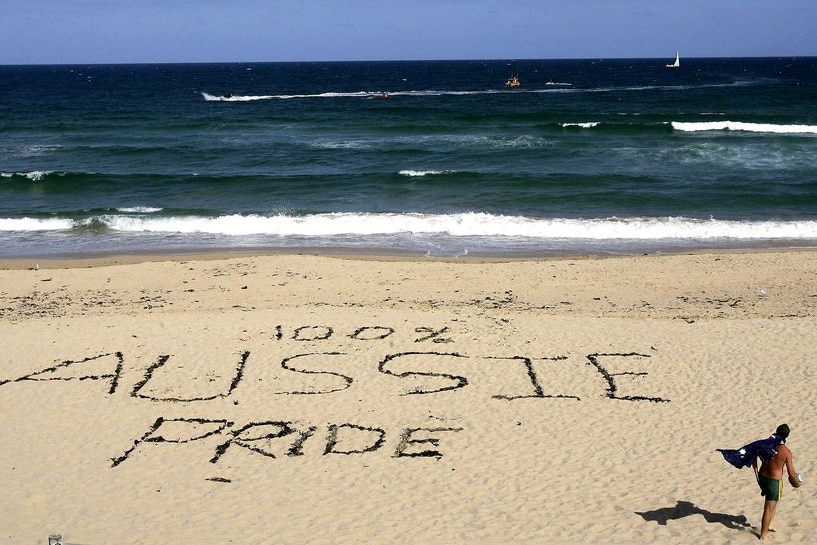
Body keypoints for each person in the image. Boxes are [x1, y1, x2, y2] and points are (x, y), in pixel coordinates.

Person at [751, 424, 801, 540]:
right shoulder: (786, 452)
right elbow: (792, 474)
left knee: (773, 502)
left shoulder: (767, 446)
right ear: (787, 436)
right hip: (774, 481)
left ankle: (770, 524)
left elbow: (753, 455)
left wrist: (756, 475)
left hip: (762, 477)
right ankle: (763, 534)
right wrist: (798, 483)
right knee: (769, 507)